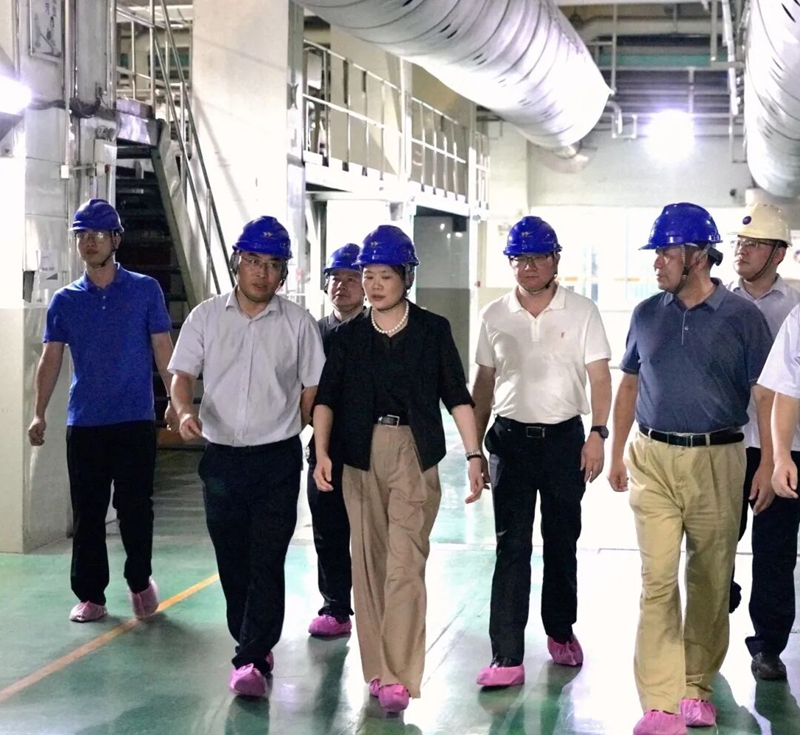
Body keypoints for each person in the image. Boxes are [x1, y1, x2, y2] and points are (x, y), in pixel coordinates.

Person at [608, 202, 774, 735]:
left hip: (718, 459)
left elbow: (766, 395)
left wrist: (770, 462)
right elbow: (629, 383)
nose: (657, 262)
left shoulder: (742, 318)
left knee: (709, 578)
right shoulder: (645, 314)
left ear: (698, 256)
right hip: (652, 458)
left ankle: (696, 685)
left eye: (666, 252)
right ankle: (659, 701)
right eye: (657, 252)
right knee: (657, 579)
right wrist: (615, 450)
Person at [312, 224, 484, 713]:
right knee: (369, 566)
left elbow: (457, 396)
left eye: (385, 275)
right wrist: (321, 453)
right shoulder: (348, 337)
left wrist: (474, 455)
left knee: (406, 564)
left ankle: (398, 675)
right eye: (368, 275)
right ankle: (377, 669)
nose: (373, 285)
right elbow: (326, 400)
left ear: (406, 277)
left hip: (413, 450)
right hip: (358, 455)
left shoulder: (432, 330)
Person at [169, 216, 325, 698]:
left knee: (267, 558)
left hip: (276, 460)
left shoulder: (298, 323)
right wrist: (184, 411)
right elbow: (181, 375)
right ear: (238, 262)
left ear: (284, 273)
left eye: (273, 264)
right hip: (221, 460)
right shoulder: (205, 317)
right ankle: (249, 638)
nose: (262, 272)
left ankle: (252, 655)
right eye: (254, 261)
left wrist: (301, 428)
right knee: (232, 558)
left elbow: (312, 387)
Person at [471, 215, 612, 688]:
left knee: (561, 540)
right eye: (519, 258)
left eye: (537, 257)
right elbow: (484, 382)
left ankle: (560, 631)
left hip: (564, 442)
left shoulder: (582, 311)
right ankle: (506, 654)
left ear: (555, 260)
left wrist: (598, 434)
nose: (528, 266)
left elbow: (600, 377)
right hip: (509, 442)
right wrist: (474, 449)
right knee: (511, 546)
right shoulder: (494, 315)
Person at [28, 198, 174, 623]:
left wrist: (176, 402)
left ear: (116, 239)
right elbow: (50, 359)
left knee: (135, 508)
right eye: (82, 235)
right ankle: (91, 595)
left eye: (97, 234)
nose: (89, 242)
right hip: (86, 423)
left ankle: (139, 580)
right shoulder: (65, 300)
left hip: (134, 420)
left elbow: (162, 347)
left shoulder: (145, 290)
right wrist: (39, 412)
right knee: (88, 512)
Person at [725, 203, 800, 681]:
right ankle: (717, 600)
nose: (743, 251)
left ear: (778, 254)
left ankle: (768, 645)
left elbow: (785, 388)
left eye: (754, 245)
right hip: (727, 443)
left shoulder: (794, 308)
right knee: (715, 538)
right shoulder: (718, 301)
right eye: (740, 242)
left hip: (784, 448)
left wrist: (775, 457)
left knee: (775, 551)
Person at [306, 243, 365, 637]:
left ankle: (376, 607)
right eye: (335, 278)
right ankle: (335, 608)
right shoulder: (314, 332)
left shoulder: (378, 330)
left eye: (351, 278)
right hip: (324, 447)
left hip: (368, 447)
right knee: (328, 531)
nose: (341, 285)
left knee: (370, 533)